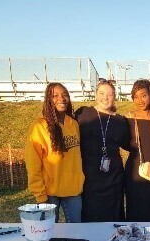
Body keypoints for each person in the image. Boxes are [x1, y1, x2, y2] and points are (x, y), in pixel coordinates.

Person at [24, 82, 84, 223]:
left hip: (73, 191)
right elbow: (33, 164)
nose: (61, 99)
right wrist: (40, 195)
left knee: (76, 231)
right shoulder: (39, 126)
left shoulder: (73, 124)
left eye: (65, 95)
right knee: (48, 233)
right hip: (49, 194)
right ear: (48, 100)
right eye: (55, 96)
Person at [75, 80, 129, 222]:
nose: (105, 98)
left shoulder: (120, 120)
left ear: (115, 97)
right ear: (95, 94)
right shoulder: (82, 114)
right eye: (102, 93)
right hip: (89, 177)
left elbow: (130, 144)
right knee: (91, 216)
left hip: (114, 178)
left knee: (113, 218)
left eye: (110, 94)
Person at [124, 79, 150, 222]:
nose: (140, 100)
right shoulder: (128, 117)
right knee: (133, 208)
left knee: (147, 209)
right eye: (136, 97)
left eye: (143, 95)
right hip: (133, 169)